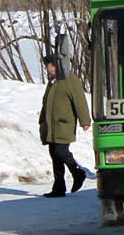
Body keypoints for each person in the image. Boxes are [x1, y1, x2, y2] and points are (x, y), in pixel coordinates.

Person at [39, 53, 91, 198]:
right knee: (55, 156)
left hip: (63, 125)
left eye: (47, 65)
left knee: (61, 152)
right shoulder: (53, 81)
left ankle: (78, 173)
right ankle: (58, 188)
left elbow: (79, 100)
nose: (46, 68)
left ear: (55, 65)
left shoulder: (69, 79)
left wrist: (84, 120)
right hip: (51, 126)